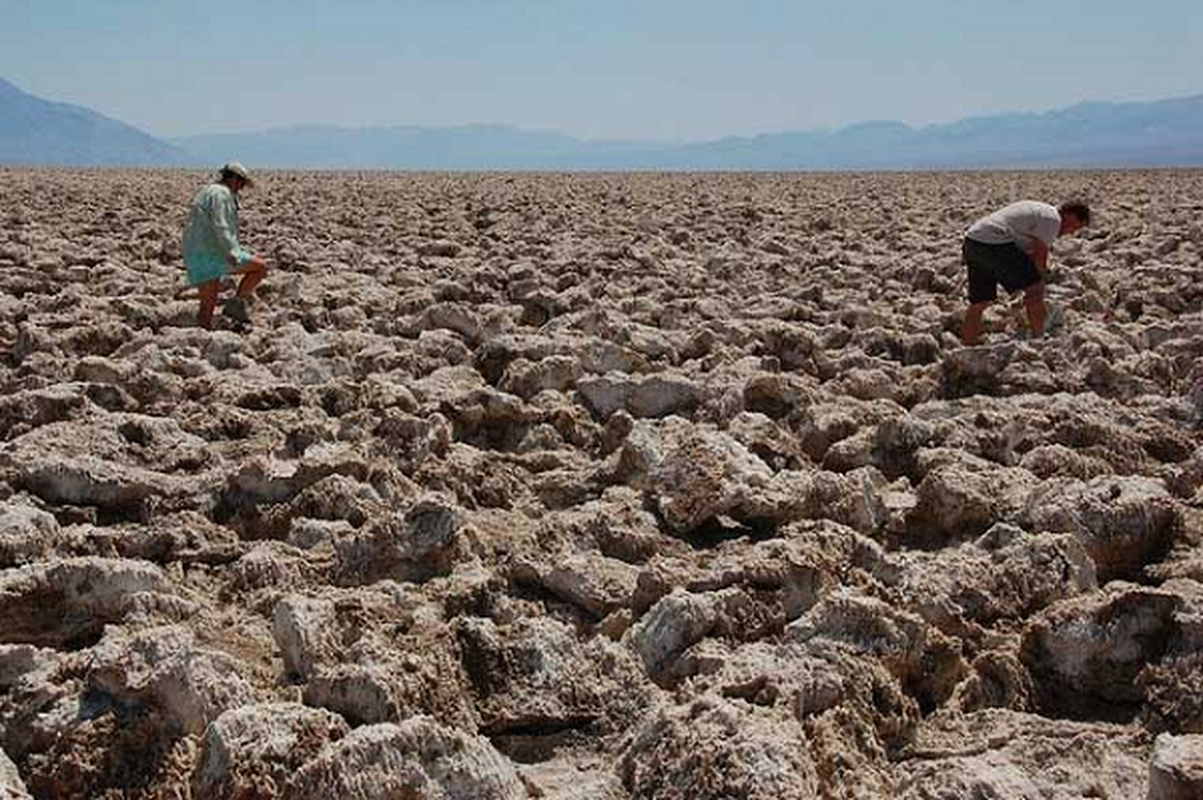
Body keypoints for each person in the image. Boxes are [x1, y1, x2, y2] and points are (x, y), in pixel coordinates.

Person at [960, 200, 1090, 345]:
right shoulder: (1053, 219)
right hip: (994, 243)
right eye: (1073, 227)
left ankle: (967, 345)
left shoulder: (1040, 211)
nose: (1070, 232)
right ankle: (1039, 340)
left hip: (972, 242)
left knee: (979, 301)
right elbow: (1040, 258)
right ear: (1070, 215)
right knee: (1036, 289)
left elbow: (1026, 255)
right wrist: (1037, 287)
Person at [182, 162, 268, 329]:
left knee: (208, 305)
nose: (241, 187)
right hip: (212, 252)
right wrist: (231, 251)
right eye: (241, 182)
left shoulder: (209, 191)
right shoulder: (221, 195)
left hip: (198, 251)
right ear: (234, 179)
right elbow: (221, 224)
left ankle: (211, 327)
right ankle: (230, 311)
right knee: (259, 268)